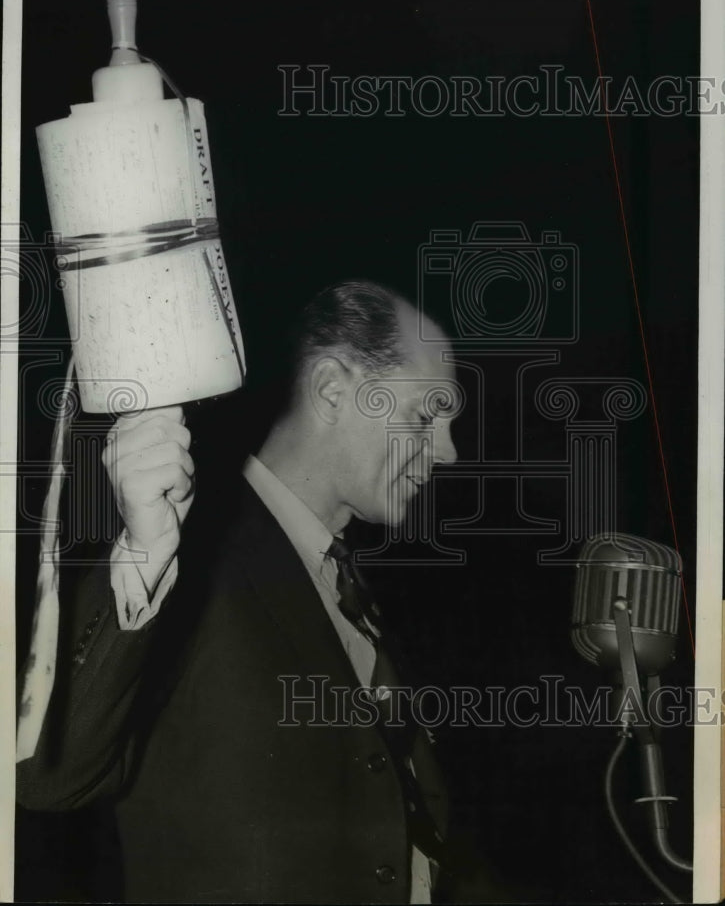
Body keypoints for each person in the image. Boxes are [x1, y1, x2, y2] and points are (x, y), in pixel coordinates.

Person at [17, 280, 460, 903]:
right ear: (334, 390)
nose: (448, 452)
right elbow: (45, 775)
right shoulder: (184, 549)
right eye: (428, 415)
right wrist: (145, 551)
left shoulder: (358, 590)